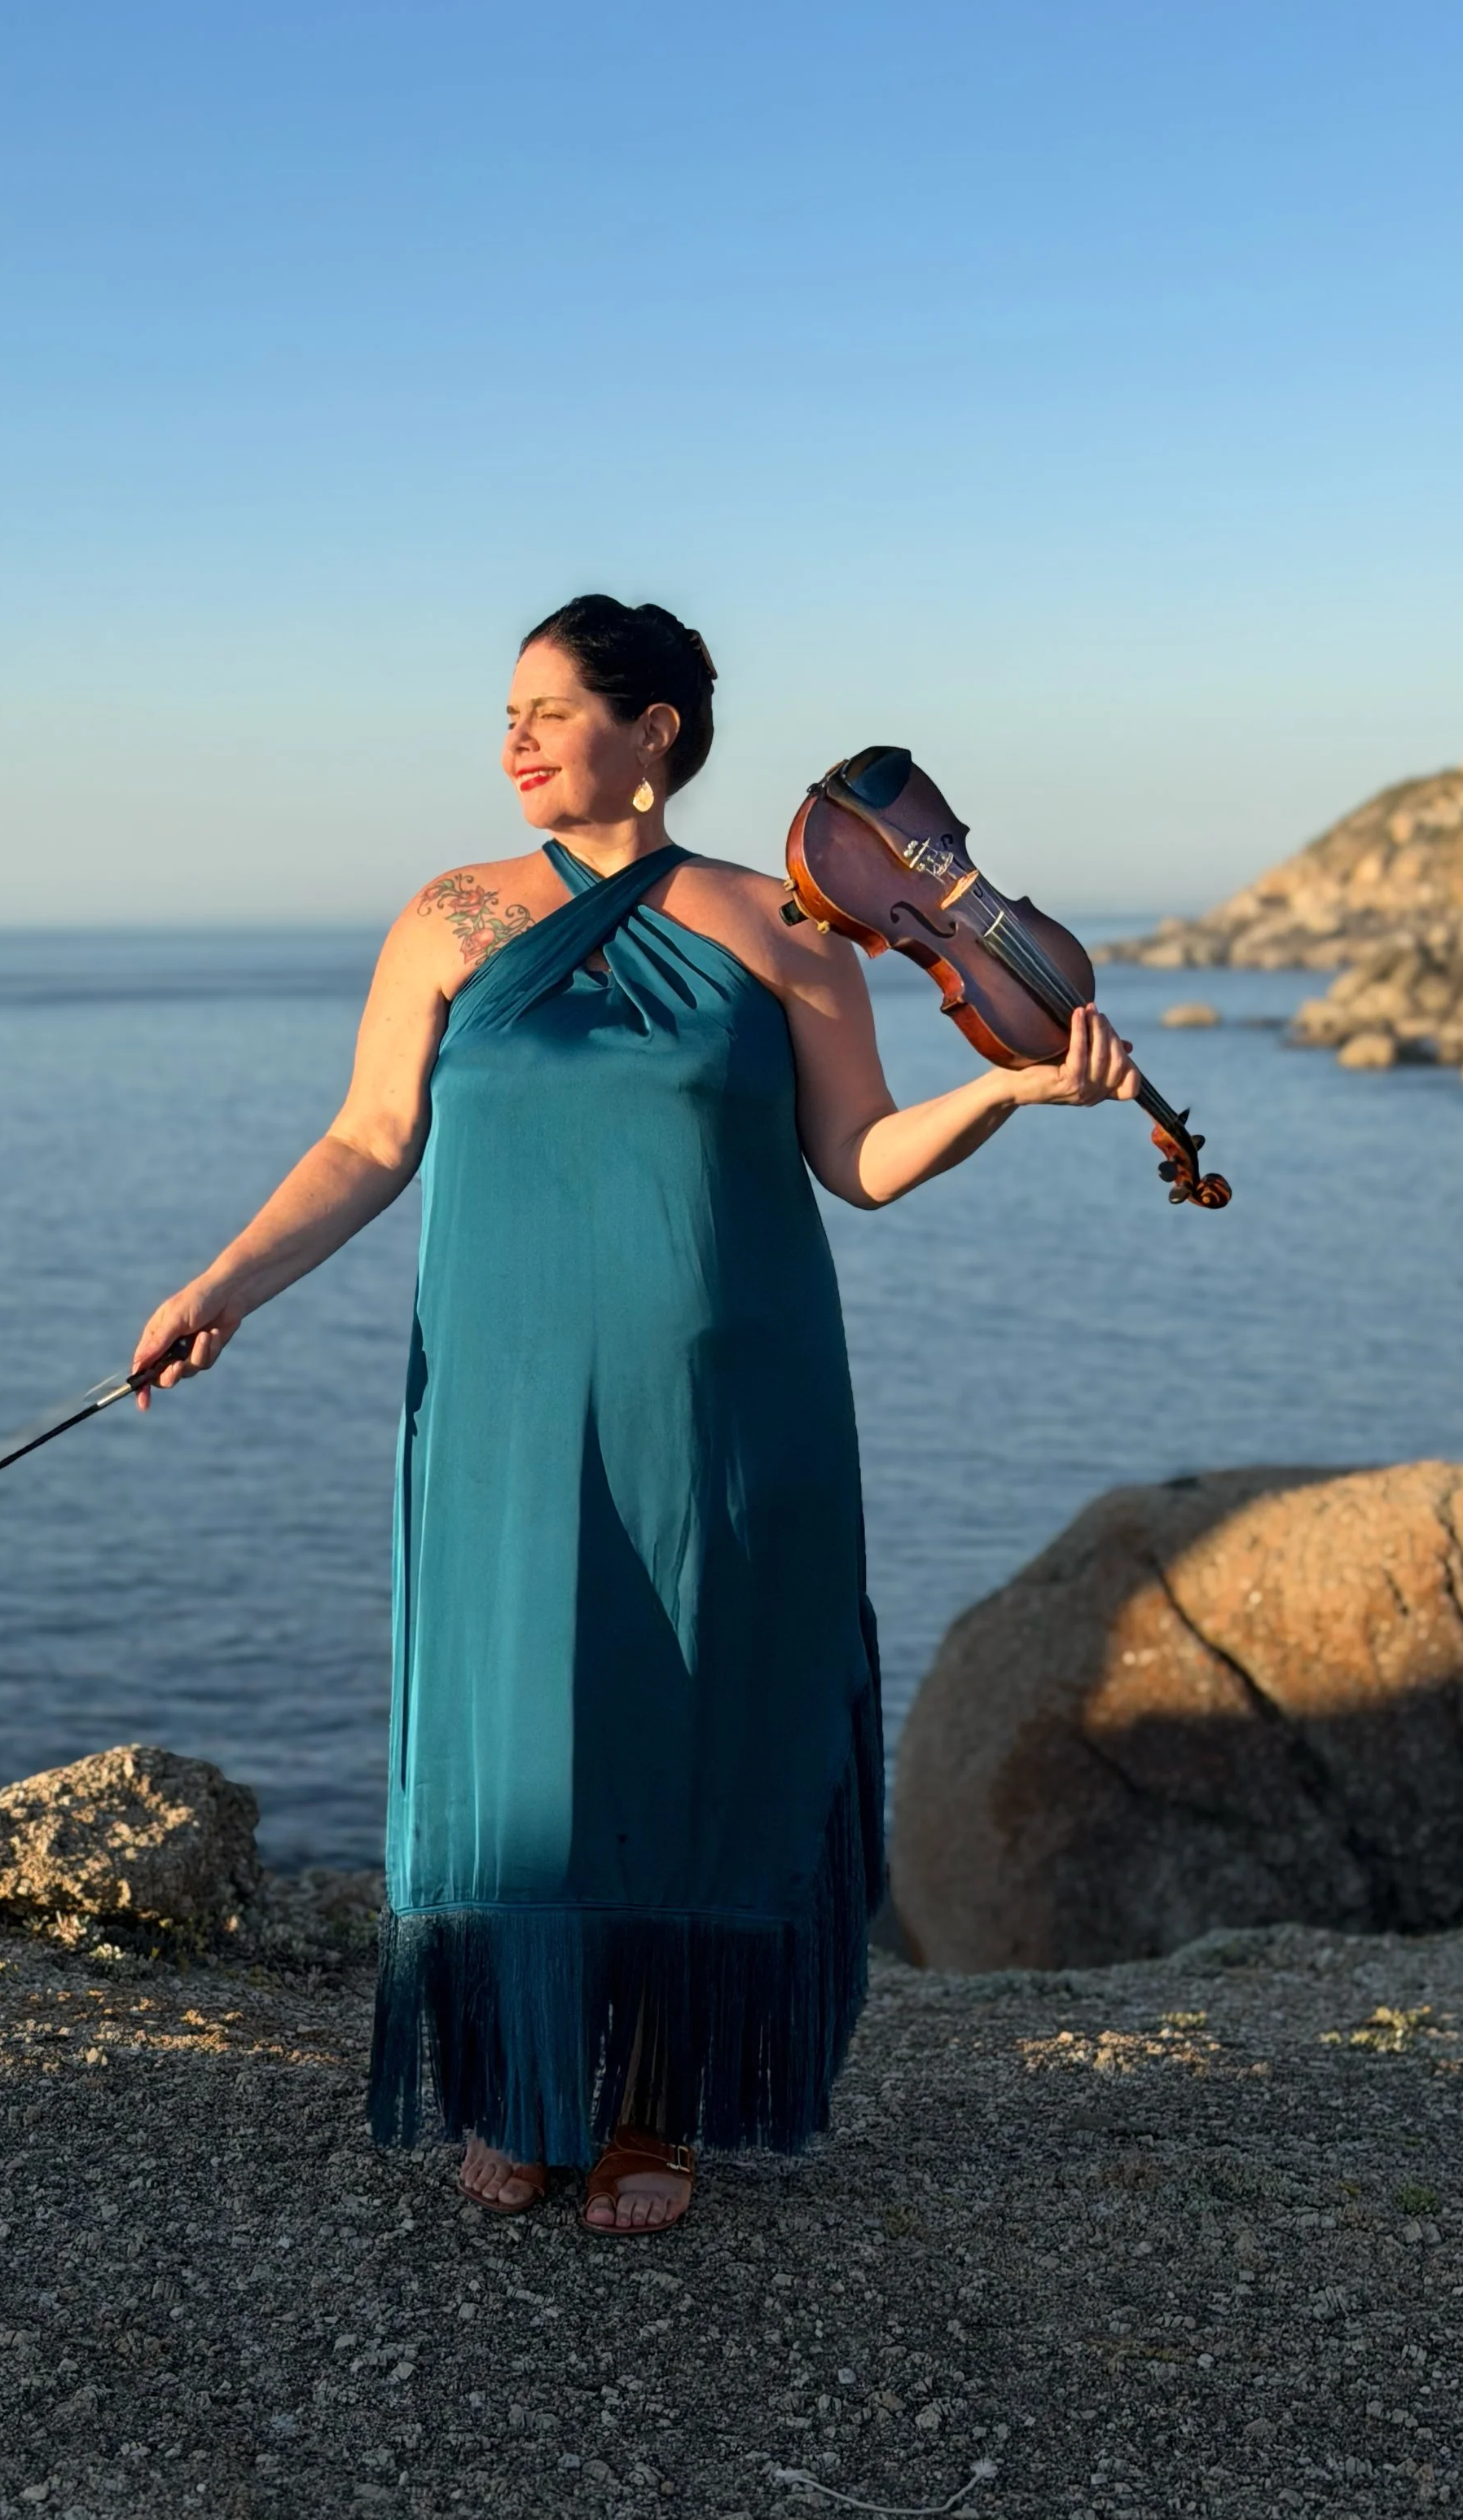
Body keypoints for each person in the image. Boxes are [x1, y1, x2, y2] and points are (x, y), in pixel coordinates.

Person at [133, 594, 1137, 2236]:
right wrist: (225, 1281)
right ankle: (518, 2086)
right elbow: (368, 1139)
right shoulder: (448, 916)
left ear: (653, 729)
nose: (512, 740)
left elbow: (859, 1162)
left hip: (729, 1402)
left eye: (546, 708)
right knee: (517, 1732)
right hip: (502, 1402)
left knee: (697, 1722)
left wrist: (1011, 1088)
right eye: (505, 714)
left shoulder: (787, 926)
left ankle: (654, 2107)